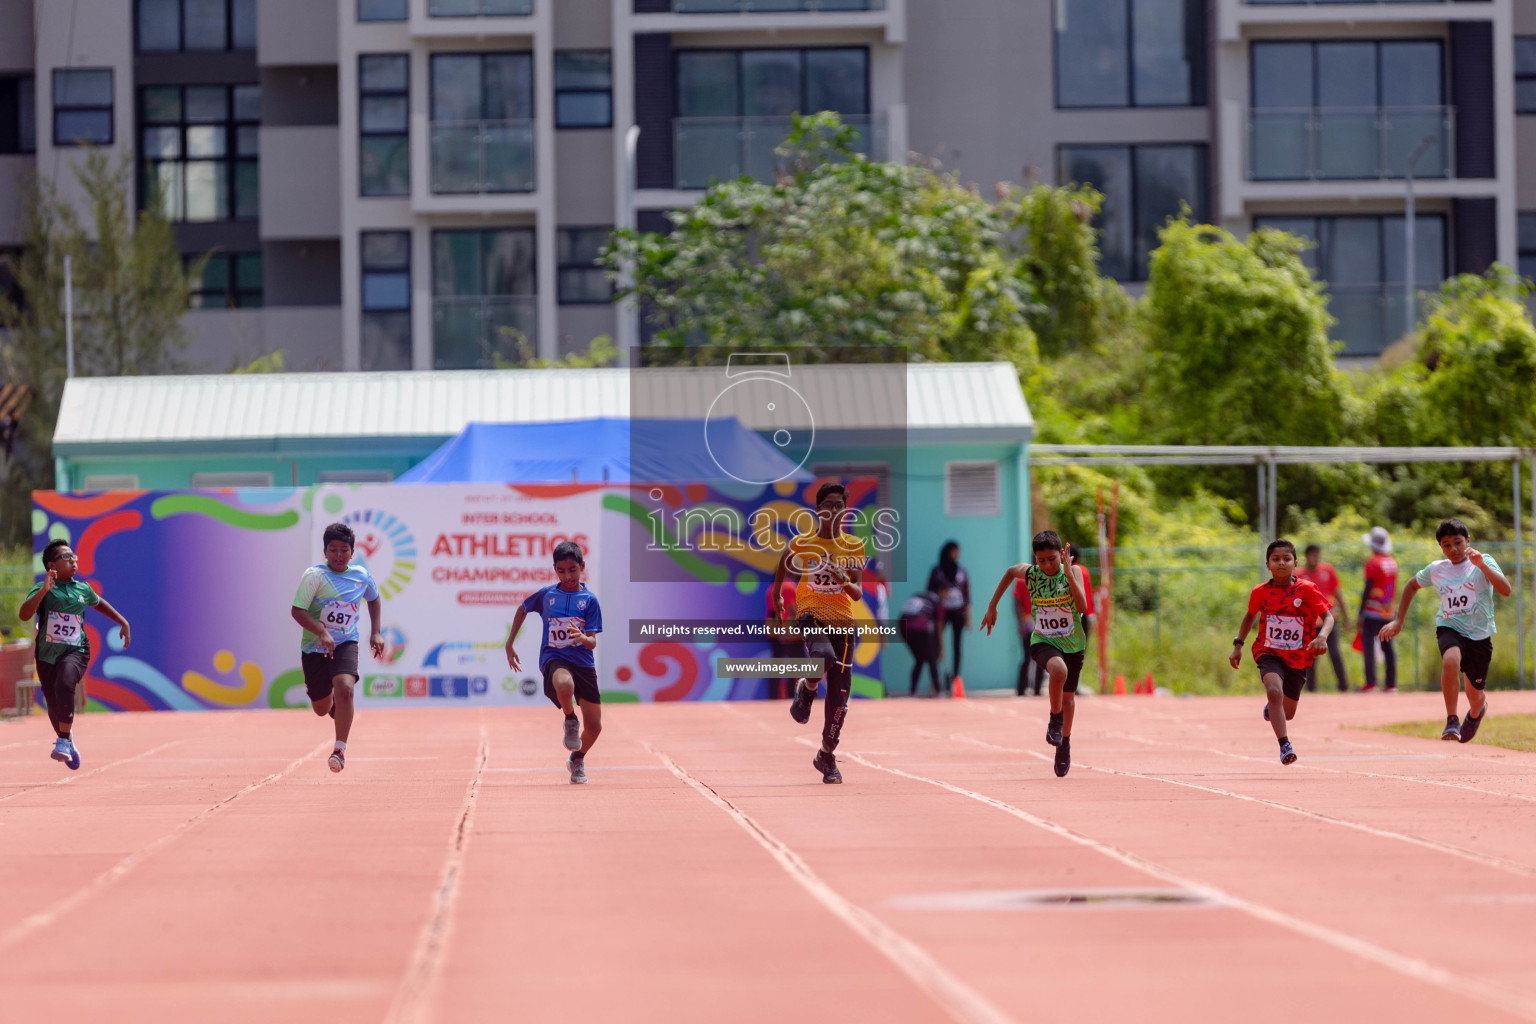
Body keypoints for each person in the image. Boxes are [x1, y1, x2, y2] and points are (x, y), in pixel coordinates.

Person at [1378, 518, 1508, 744]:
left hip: (1479, 635)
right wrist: (1399, 620)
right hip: (1450, 626)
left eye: (1457, 543)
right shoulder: (1437, 569)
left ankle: (1477, 712)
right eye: (1446, 545)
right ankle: (1451, 720)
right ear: (1441, 547)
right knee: (1450, 660)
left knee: (1474, 696)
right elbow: (1411, 585)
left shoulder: (1482, 561)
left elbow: (1505, 590)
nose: (1453, 550)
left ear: (1468, 540)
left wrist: (1483, 566)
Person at [773, 482, 867, 784]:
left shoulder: (853, 545)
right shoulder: (804, 543)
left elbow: (857, 593)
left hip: (843, 622)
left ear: (844, 511)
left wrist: (843, 579)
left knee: (840, 698)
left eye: (838, 505)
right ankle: (808, 690)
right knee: (822, 656)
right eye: (827, 504)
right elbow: (783, 563)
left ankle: (826, 755)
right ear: (818, 510)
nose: (832, 510)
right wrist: (777, 596)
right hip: (811, 613)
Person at [980, 530, 1089, 778]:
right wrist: (992, 605)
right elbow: (1010, 572)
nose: (1047, 565)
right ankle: (1054, 719)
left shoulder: (1075, 572)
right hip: (1043, 639)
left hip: (1073, 643)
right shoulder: (1031, 574)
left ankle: (1065, 744)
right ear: (1035, 559)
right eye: (1041, 561)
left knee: (1069, 699)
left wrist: (1069, 574)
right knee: (1058, 671)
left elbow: (1082, 606)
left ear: (1061, 555)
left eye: (1052, 559)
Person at [18, 540, 131, 770]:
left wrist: (122, 621)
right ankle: (67, 741)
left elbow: (98, 603)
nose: (74, 561)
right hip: (47, 654)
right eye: (67, 557)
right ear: (52, 565)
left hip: (76, 649)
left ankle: (62, 739)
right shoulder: (44, 588)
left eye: (74, 557)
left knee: (66, 680)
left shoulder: (83, 589)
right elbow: (24, 614)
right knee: (53, 703)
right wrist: (43, 590)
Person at [1228, 539, 1334, 766]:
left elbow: (1328, 618)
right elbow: (1249, 616)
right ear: (1268, 564)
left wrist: (1322, 636)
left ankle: (1273, 707)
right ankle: (1285, 745)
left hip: (1298, 657)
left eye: (1286, 559)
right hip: (1268, 652)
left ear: (1295, 563)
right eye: (1276, 559)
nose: (1281, 563)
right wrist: (1239, 645)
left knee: (1289, 713)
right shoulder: (1260, 592)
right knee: (1274, 691)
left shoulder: (1306, 590)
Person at [507, 540, 604, 784]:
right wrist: (509, 643)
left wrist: (582, 637)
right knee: (564, 685)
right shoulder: (547, 595)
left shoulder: (589, 601)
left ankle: (577, 758)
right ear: (555, 569)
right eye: (561, 571)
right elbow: (522, 608)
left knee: (594, 728)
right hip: (555, 657)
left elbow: (592, 643)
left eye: (572, 570)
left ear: (582, 566)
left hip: (583, 663)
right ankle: (570, 719)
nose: (567, 575)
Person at [290, 523, 384, 774]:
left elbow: (374, 599)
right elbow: (297, 611)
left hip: (345, 643)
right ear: (325, 551)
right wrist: (321, 632)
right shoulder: (314, 576)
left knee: (345, 688)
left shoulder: (361, 576)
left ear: (352, 552)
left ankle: (339, 749)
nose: (339, 555)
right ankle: (330, 705)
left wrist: (375, 631)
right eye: (333, 550)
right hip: (314, 648)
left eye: (344, 550)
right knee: (321, 710)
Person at [1013, 545, 1094, 696]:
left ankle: (1026, 689)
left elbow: (1016, 603)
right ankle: (1031, 689)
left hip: (1032, 620)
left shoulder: (1028, 579)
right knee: (1037, 656)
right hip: (1037, 620)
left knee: (1032, 656)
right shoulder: (1048, 577)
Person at [1297, 543, 1350, 693]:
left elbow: (1338, 594)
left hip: (1329, 620)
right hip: (1310, 622)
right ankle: (1311, 688)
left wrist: (1346, 617)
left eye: (1317, 555)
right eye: (1312, 555)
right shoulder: (1299, 574)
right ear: (1306, 556)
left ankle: (1343, 686)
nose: (1315, 558)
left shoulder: (1327, 570)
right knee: (1310, 656)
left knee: (1334, 652)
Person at [1359, 527, 1399, 693]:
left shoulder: (1372, 562)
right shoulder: (1392, 561)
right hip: (1388, 611)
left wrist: (1360, 612)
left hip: (1372, 610)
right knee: (1388, 647)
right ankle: (1391, 684)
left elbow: (1368, 587)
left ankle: (1371, 683)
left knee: (1368, 645)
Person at [927, 541, 970, 690]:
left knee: (957, 645)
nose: (957, 554)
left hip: (958, 611)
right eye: (955, 551)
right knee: (936, 643)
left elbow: (967, 594)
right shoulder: (937, 570)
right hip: (941, 611)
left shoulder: (961, 570)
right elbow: (929, 591)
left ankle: (956, 678)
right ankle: (935, 678)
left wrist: (968, 616)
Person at [897, 590, 945, 697]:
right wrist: (941, 648)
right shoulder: (938, 601)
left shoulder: (919, 595)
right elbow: (938, 626)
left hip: (902, 626)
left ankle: (912, 692)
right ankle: (938, 691)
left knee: (919, 659)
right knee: (932, 659)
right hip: (919, 626)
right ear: (942, 590)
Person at [764, 578, 799, 699]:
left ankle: (773, 696)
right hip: (787, 626)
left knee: (777, 662)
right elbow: (791, 608)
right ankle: (792, 694)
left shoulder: (771, 588)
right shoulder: (789, 586)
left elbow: (772, 610)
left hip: (772, 625)